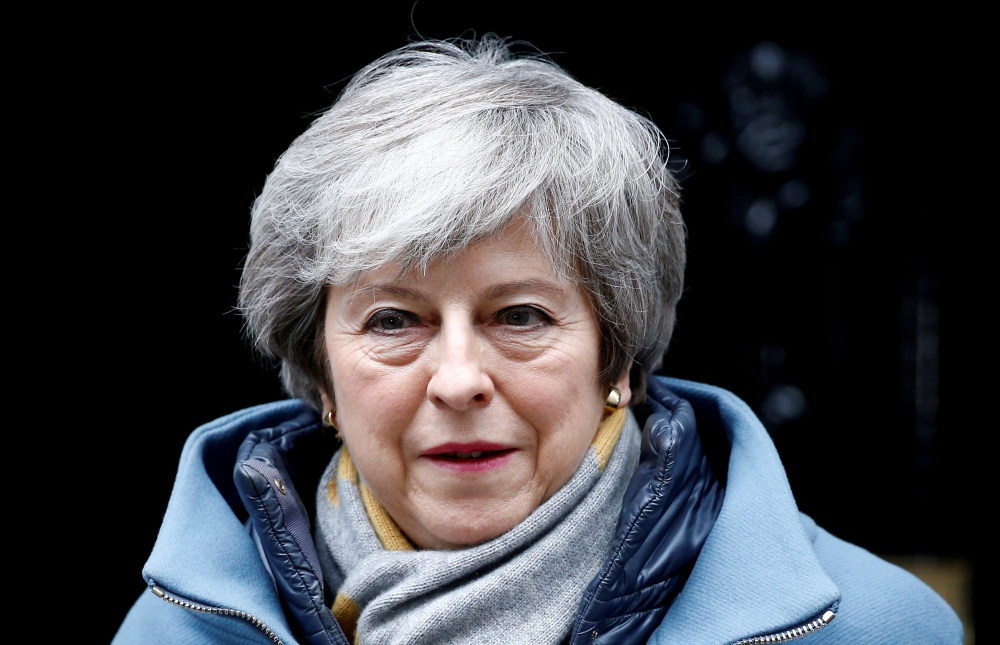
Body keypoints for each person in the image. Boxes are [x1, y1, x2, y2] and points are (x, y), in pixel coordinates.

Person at [113, 38, 962, 645]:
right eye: (393, 320)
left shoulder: (875, 628)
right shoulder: (173, 632)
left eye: (519, 315)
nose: (457, 380)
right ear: (320, 376)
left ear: (617, 356)